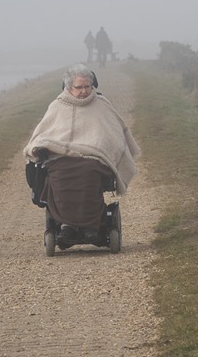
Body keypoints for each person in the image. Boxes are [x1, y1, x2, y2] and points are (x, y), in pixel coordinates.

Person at [23, 64, 141, 246]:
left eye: (88, 86)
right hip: (60, 159)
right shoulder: (57, 106)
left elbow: (114, 136)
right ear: (69, 87)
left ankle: (91, 227)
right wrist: (41, 147)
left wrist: (101, 149)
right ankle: (67, 226)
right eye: (80, 87)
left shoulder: (101, 104)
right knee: (59, 174)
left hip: (93, 159)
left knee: (88, 171)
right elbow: (43, 134)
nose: (85, 91)